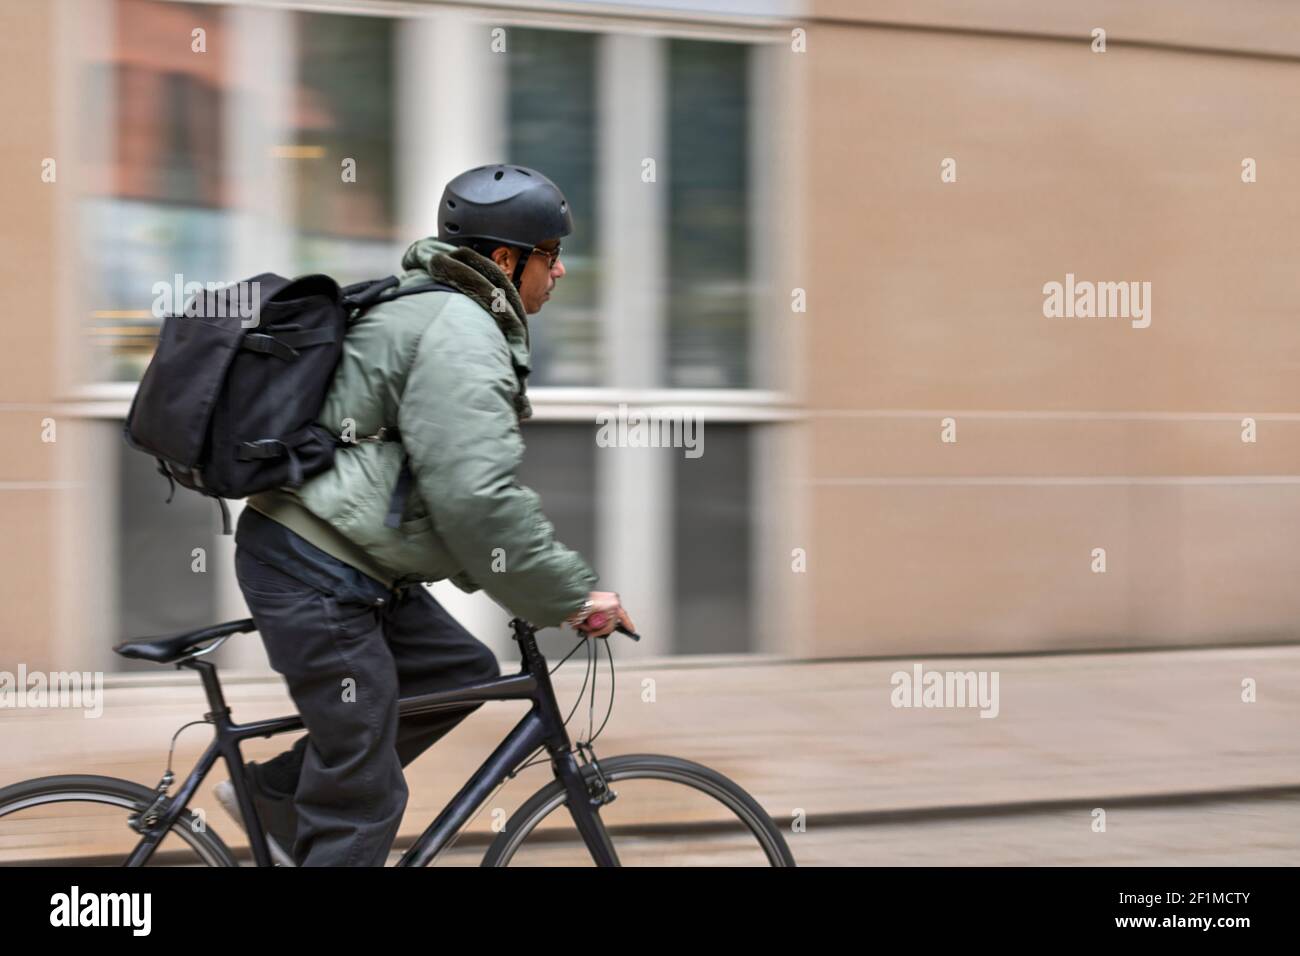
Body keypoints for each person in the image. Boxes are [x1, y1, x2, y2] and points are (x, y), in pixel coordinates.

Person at [214, 164, 636, 867]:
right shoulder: (459, 331)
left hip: (345, 564)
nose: (560, 271)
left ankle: (277, 802)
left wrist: (520, 583)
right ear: (507, 259)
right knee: (363, 793)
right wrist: (566, 594)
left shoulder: (434, 311)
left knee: (456, 672)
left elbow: (431, 488)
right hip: (315, 569)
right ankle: (303, 814)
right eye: (552, 253)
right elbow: (477, 498)